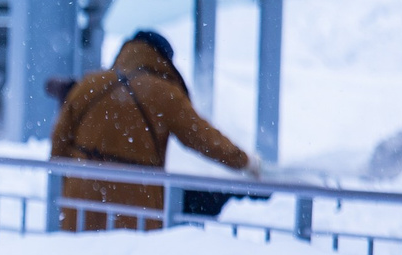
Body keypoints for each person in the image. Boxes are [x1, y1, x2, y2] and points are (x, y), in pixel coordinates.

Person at [47, 30, 255, 231]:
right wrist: (244, 162)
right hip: (134, 206)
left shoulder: (90, 84)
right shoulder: (164, 94)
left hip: (81, 201)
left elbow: (60, 140)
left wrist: (67, 183)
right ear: (163, 59)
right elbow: (203, 138)